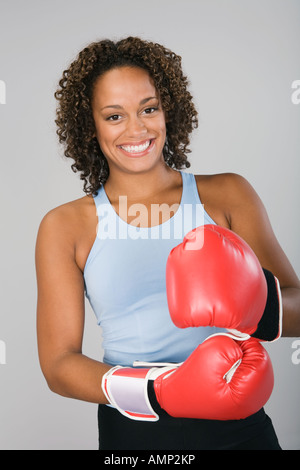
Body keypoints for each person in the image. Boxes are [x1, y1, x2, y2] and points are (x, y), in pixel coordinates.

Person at [35, 36, 300, 450]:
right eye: (114, 116)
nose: (137, 129)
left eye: (148, 109)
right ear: (90, 126)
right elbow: (58, 365)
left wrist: (258, 304)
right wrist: (161, 390)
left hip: (239, 425)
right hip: (135, 432)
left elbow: (298, 307)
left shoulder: (228, 195)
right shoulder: (65, 226)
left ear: (168, 111)